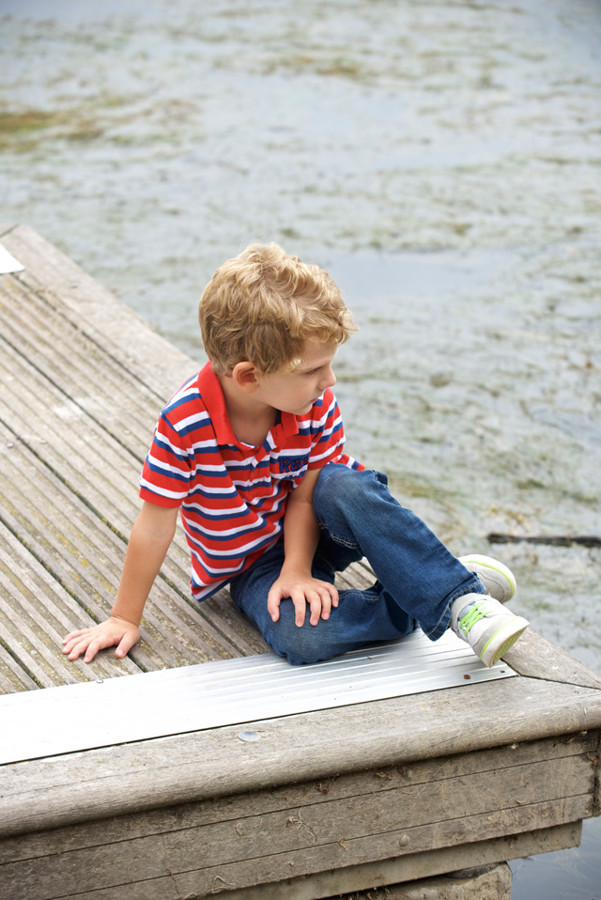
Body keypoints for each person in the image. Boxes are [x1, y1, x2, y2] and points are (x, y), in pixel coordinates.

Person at [63, 243, 529, 668]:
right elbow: (155, 523)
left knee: (345, 484)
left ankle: (460, 600)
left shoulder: (314, 403)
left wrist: (299, 568)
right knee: (301, 638)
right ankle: (438, 584)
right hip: (251, 565)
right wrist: (124, 618)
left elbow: (309, 497)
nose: (330, 381)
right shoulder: (184, 423)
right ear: (249, 376)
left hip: (322, 525)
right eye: (313, 369)